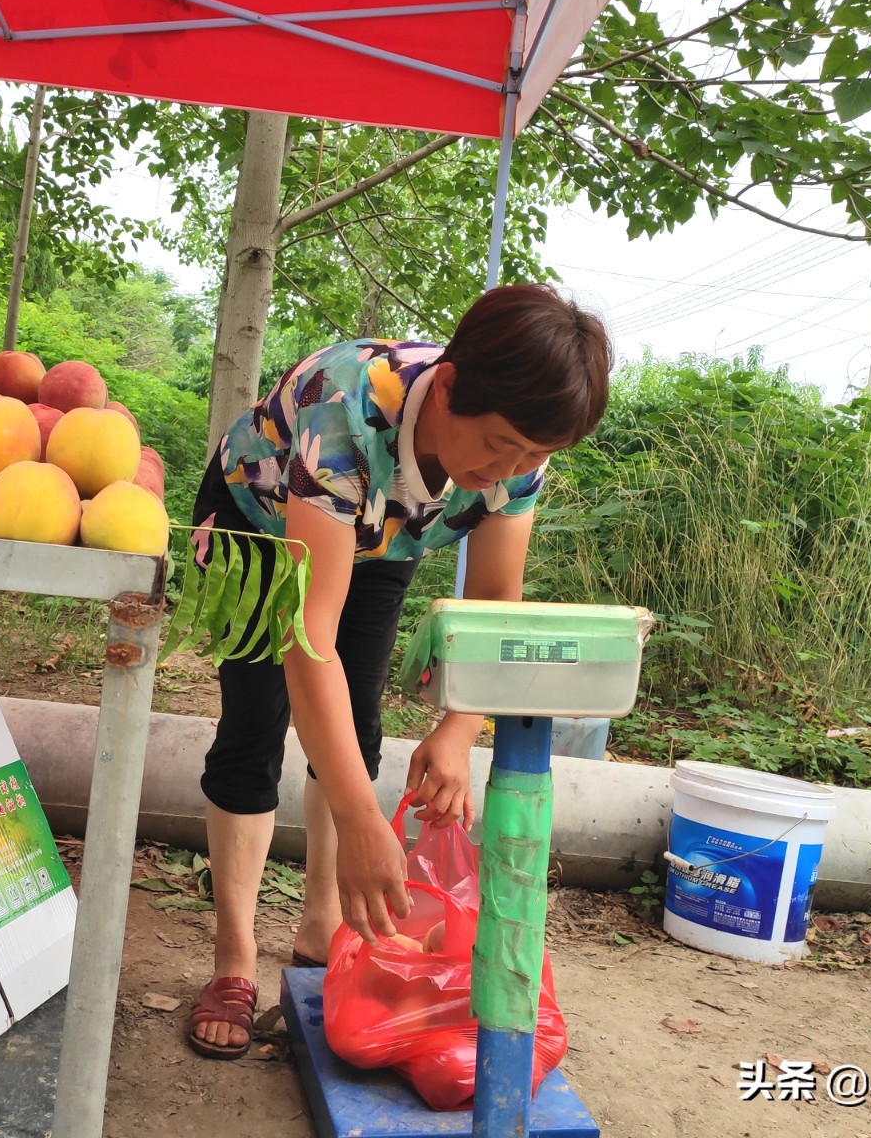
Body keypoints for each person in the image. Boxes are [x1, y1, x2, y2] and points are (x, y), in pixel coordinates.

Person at [184, 283, 612, 1060]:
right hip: (263, 516)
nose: (505, 474)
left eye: (533, 458)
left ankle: (320, 929)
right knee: (256, 726)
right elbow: (306, 640)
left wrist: (459, 728)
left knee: (359, 728)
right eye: (498, 448)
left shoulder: (517, 457)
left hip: (388, 534)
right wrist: (360, 822)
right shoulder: (344, 407)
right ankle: (234, 963)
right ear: (447, 388)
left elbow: (494, 609)